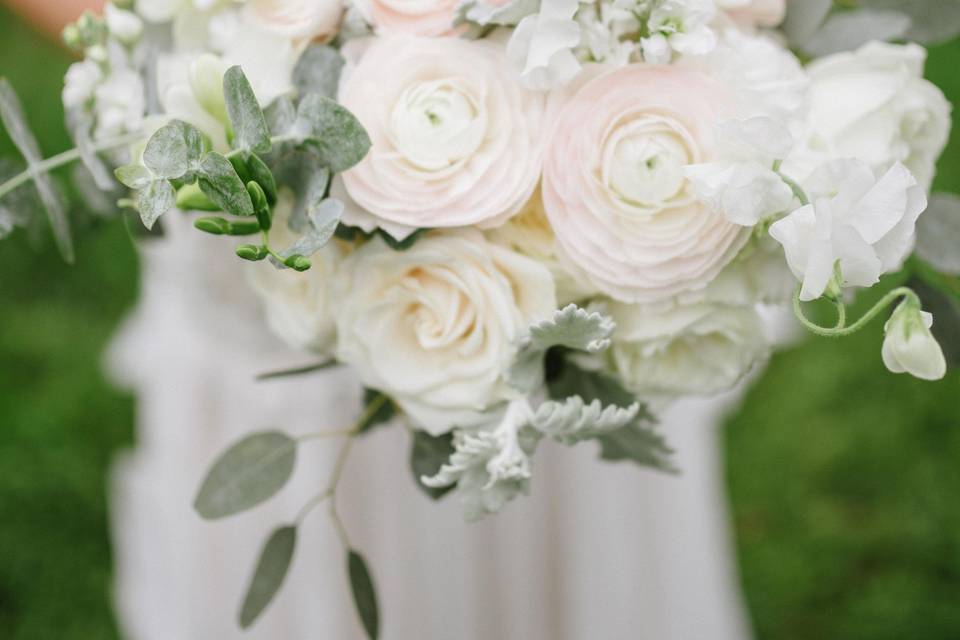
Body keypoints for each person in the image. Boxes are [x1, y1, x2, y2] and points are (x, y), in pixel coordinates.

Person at [7, 2, 755, 637]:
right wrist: (161, 60)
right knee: (277, 325)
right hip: (256, 128)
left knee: (571, 371)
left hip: (575, 132)